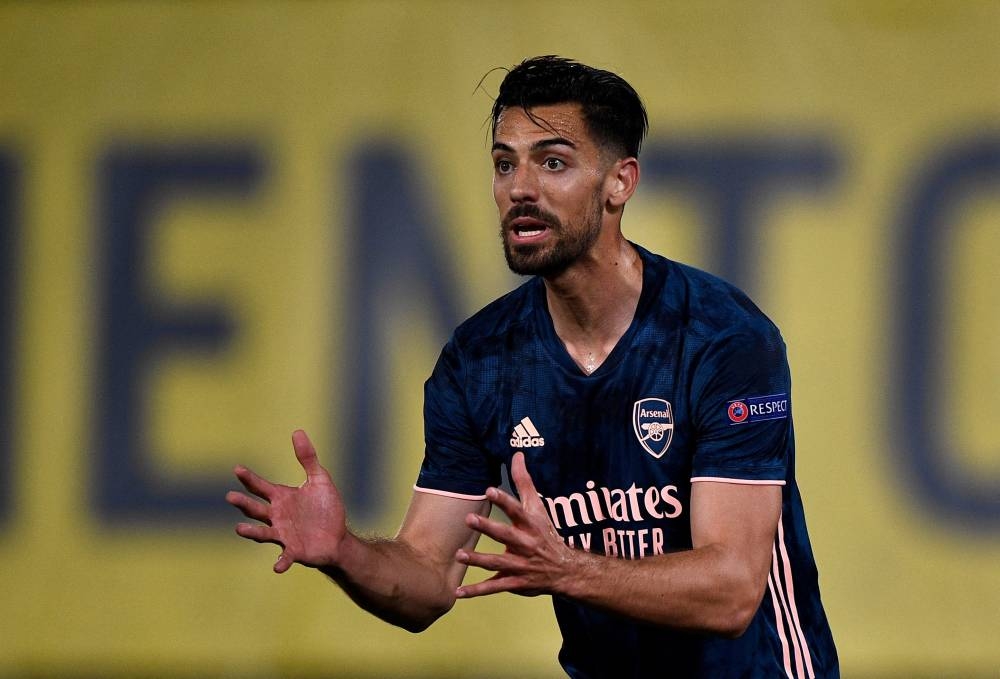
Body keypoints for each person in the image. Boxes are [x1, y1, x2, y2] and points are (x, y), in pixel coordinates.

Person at [227, 55, 839, 678]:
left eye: (553, 162)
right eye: (503, 163)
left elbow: (733, 589)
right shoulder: (479, 361)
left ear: (619, 183)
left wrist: (566, 568)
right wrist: (343, 552)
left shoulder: (721, 338)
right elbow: (429, 577)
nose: (520, 187)